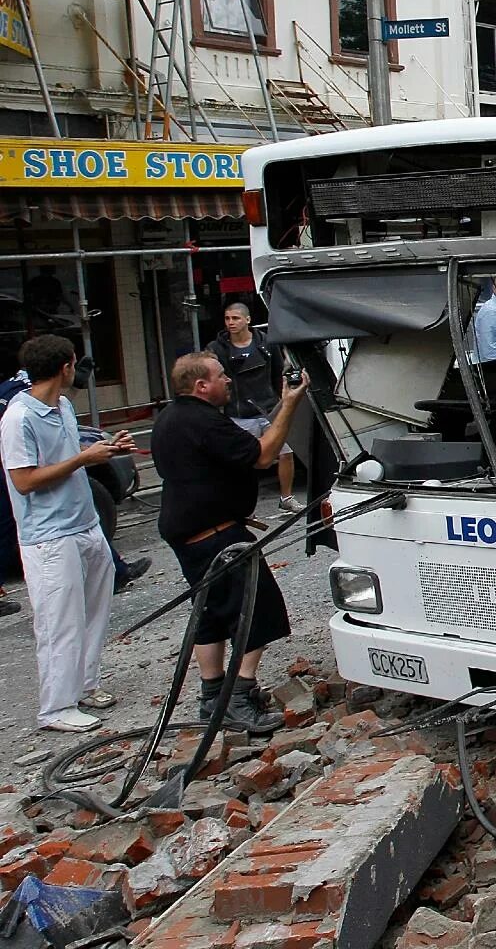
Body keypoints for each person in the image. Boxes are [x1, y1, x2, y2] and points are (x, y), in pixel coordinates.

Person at [150, 351, 307, 734]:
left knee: (211, 614)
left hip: (192, 532)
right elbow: (265, 454)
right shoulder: (203, 421)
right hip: (215, 537)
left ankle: (212, 697)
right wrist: (289, 403)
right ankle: (238, 696)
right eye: (221, 376)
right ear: (201, 386)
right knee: (259, 609)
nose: (228, 380)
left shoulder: (171, 418)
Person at [0, 336, 133, 732]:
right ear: (66, 367)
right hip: (48, 535)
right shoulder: (18, 418)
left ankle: (85, 685)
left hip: (84, 523)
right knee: (59, 620)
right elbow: (24, 481)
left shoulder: (63, 405)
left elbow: (69, 459)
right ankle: (55, 707)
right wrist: (82, 458)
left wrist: (106, 449)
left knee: (94, 611)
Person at [211, 303, 299, 513]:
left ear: (247, 320)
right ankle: (239, 502)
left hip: (269, 408)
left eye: (235, 318)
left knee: (286, 452)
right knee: (243, 461)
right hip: (240, 413)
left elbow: (278, 372)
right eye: (227, 319)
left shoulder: (266, 343)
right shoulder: (218, 348)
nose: (231, 323)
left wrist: (279, 400)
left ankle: (286, 497)